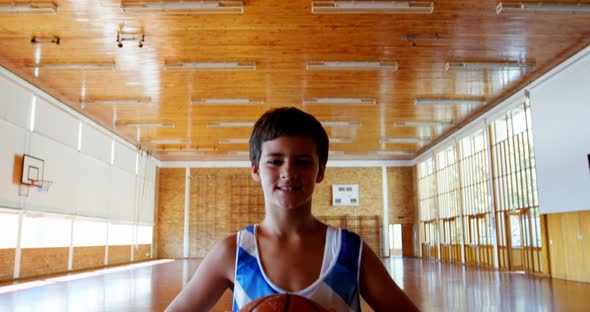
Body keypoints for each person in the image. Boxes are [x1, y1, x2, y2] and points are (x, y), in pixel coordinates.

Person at [166, 107, 419, 312]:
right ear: (255, 170)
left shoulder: (350, 251)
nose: (288, 172)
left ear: (320, 171)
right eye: (275, 161)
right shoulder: (234, 252)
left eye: (303, 161)